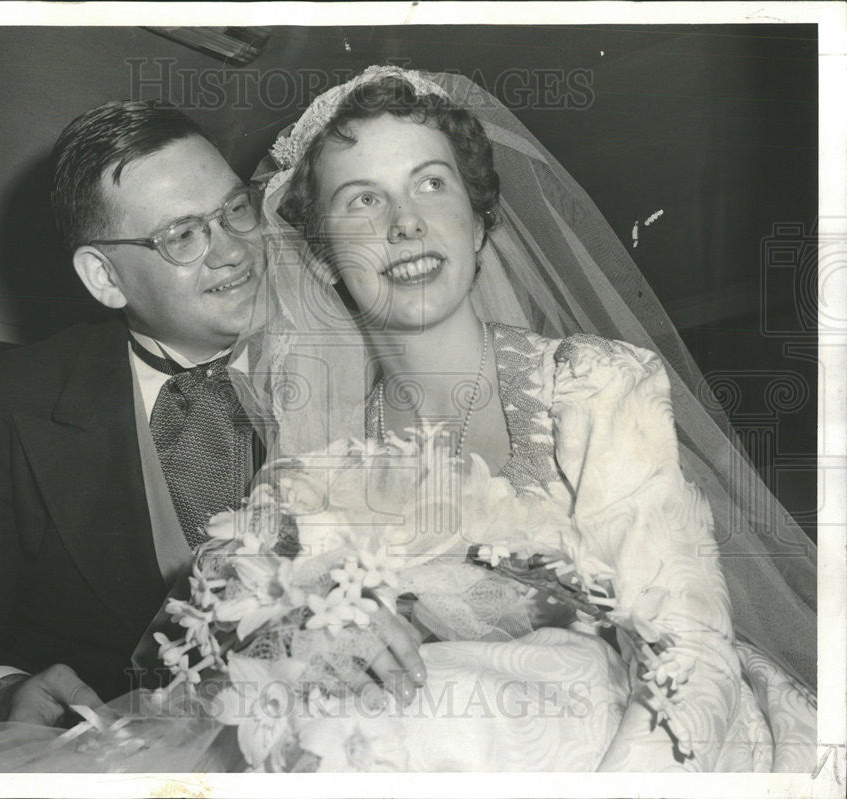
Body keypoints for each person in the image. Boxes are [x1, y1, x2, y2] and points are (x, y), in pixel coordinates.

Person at [235, 66, 818, 770]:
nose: (405, 222)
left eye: (431, 183)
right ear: (324, 257)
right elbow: (230, 640)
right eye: (363, 200)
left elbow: (688, 651)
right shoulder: (321, 478)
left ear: (479, 222)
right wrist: (310, 631)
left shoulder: (597, 386)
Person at [0, 99, 426, 731]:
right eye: (183, 234)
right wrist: (1, 695)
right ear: (105, 277)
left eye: (234, 210)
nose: (234, 253)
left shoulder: (372, 361)